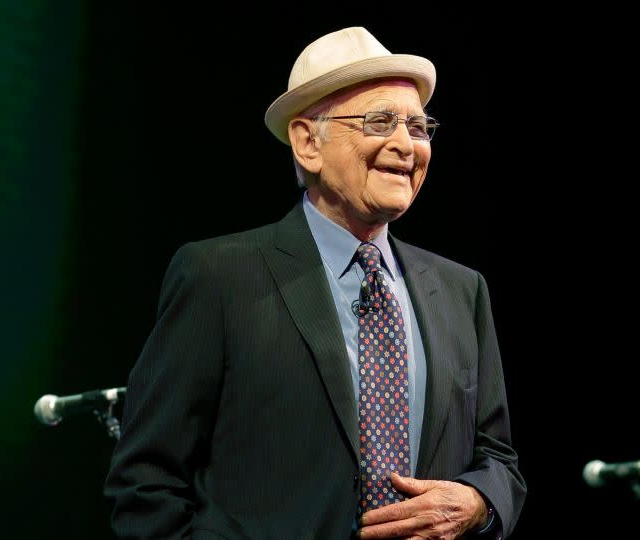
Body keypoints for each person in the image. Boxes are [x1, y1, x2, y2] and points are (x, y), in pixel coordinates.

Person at [105, 26, 525, 539]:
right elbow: (146, 481)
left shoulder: (463, 291)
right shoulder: (219, 277)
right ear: (307, 143)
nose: (405, 145)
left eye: (418, 127)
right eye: (380, 122)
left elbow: (500, 461)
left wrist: (479, 502)